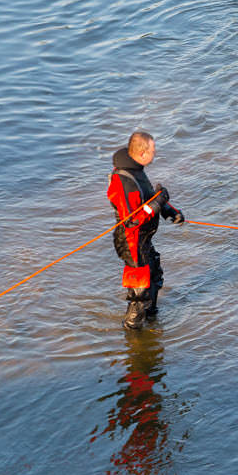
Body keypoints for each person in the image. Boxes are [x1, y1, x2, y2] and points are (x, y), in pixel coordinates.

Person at [107, 131, 184, 330]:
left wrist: (168, 210)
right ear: (142, 153)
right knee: (139, 290)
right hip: (131, 240)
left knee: (155, 276)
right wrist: (159, 202)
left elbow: (148, 199)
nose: (155, 153)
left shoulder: (138, 169)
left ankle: (152, 321)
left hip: (143, 238)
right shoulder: (124, 180)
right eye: (153, 150)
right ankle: (134, 334)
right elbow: (132, 220)